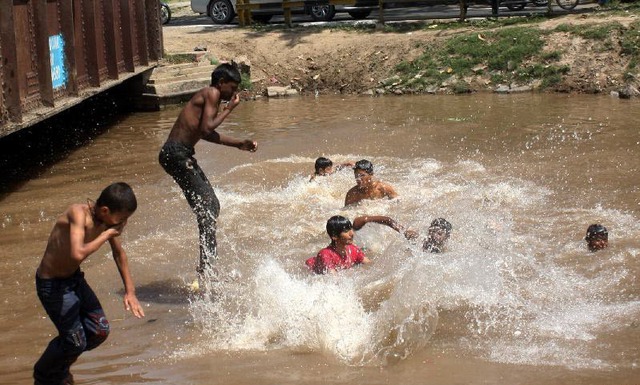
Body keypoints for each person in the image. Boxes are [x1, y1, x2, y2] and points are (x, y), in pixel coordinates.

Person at [34, 182, 145, 385]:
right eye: (122, 219)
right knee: (75, 342)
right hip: (53, 285)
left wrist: (130, 292)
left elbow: (119, 254)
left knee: (99, 331)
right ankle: (43, 375)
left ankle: (58, 370)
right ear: (105, 210)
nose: (123, 224)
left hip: (74, 279)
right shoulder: (77, 214)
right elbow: (77, 252)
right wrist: (106, 235)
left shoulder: (107, 222)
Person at [159, 63, 257, 277]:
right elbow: (207, 128)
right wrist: (229, 109)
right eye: (232, 87)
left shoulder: (208, 96)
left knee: (209, 206)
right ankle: (207, 266)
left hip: (176, 155)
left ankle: (206, 265)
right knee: (209, 206)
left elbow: (205, 133)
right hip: (177, 154)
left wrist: (239, 143)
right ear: (221, 83)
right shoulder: (212, 92)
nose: (234, 93)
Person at [305, 215, 371, 274]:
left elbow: (370, 265)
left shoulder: (353, 249)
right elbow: (333, 278)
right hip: (309, 269)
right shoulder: (325, 254)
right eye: (346, 231)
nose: (352, 233)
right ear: (334, 236)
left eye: (350, 229)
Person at [353, 215, 453, 253]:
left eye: (439, 233)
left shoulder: (447, 252)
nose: (434, 235)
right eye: (432, 231)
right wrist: (367, 219)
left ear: (447, 237)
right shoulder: (417, 239)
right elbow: (390, 221)